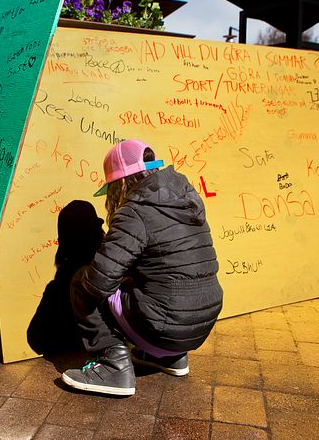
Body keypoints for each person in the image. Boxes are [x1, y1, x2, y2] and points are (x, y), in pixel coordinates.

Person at [61, 139, 223, 396]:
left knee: (81, 284)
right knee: (154, 285)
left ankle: (113, 365)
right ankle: (170, 358)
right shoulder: (187, 199)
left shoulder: (135, 211)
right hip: (201, 324)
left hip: (167, 326)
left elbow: (98, 283)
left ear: (122, 182)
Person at [27, 200, 105, 355]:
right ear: (98, 233)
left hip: (65, 357)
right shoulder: (110, 274)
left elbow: (35, 338)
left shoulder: (59, 286)